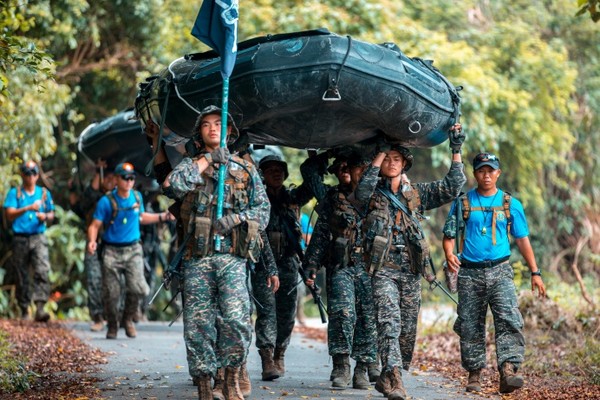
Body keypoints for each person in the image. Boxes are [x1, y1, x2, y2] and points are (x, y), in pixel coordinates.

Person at [163, 105, 270, 400]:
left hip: (232, 257)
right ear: (200, 133)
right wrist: (208, 159)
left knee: (236, 319)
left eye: (219, 124)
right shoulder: (192, 164)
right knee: (198, 325)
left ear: (229, 132)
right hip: (197, 258)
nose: (213, 128)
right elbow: (171, 187)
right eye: (207, 124)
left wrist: (237, 218)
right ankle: (204, 384)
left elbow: (264, 211)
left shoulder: (245, 169)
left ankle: (232, 376)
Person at [361, 126, 466, 400]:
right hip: (382, 271)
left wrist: (455, 150)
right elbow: (359, 194)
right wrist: (379, 153)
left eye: (397, 158)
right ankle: (395, 378)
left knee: (407, 332)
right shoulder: (368, 194)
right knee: (388, 324)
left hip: (410, 273)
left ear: (405, 163)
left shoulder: (416, 196)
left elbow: (452, 187)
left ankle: (388, 375)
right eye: (387, 158)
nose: (391, 162)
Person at [442, 152, 546, 394]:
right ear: (475, 173)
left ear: (498, 173)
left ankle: (508, 371)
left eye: (490, 170)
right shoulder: (463, 203)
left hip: (500, 270)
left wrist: (535, 272)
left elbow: (522, 240)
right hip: (470, 273)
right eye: (481, 170)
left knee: (509, 319)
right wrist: (449, 254)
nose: (486, 175)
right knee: (469, 324)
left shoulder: (511, 203)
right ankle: (474, 374)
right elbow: (448, 236)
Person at [303, 152, 383, 389]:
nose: (358, 173)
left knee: (368, 317)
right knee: (342, 313)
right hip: (342, 266)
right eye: (354, 168)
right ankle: (341, 365)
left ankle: (362, 368)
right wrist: (311, 264)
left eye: (362, 169)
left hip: (370, 267)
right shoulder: (334, 198)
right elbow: (321, 232)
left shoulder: (381, 197)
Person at [87, 162, 172, 339]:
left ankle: (127, 319)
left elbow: (141, 217)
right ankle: (112, 324)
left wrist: (162, 216)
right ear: (117, 179)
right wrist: (92, 242)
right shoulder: (106, 201)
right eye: (125, 178)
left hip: (133, 249)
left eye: (132, 178)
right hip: (111, 251)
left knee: (138, 288)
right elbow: (94, 225)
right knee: (111, 293)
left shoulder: (137, 197)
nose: (128, 181)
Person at [252, 154, 316, 381]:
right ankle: (267, 358)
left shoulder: (293, 198)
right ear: (262, 175)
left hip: (289, 263)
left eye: (279, 169)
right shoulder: (256, 199)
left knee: (287, 313)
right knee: (267, 311)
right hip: (263, 265)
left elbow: (312, 186)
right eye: (269, 169)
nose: (276, 173)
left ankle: (280, 352)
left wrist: (315, 161)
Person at [3, 161, 55, 322]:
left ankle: (40, 307)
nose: (30, 176)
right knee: (21, 273)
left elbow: (52, 214)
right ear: (22, 175)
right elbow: (9, 214)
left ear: (37, 175)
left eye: (33, 173)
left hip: (38, 236)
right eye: (27, 173)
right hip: (20, 238)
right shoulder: (15, 193)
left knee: (42, 270)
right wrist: (27, 208)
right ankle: (24, 308)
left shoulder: (44, 193)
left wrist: (44, 216)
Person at [75, 160, 116, 331]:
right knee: (93, 280)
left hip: (113, 245)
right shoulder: (94, 197)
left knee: (113, 282)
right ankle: (98, 317)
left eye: (113, 178)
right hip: (94, 242)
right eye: (107, 178)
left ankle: (113, 317)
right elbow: (86, 200)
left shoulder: (119, 197)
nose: (110, 181)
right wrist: (99, 171)